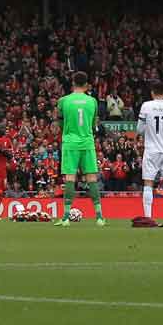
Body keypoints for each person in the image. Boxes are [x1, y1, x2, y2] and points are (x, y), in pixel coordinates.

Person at [54, 71, 105, 227]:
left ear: (73, 83)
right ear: (86, 84)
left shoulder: (63, 101)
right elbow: (93, 124)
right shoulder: (93, 101)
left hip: (70, 143)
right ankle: (99, 217)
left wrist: (67, 130)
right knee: (92, 178)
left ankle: (65, 218)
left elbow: (60, 123)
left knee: (70, 178)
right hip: (87, 142)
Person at [137, 81, 163, 222]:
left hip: (151, 150)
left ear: (152, 93)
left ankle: (148, 217)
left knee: (148, 183)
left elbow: (139, 130)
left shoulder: (146, 106)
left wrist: (149, 132)